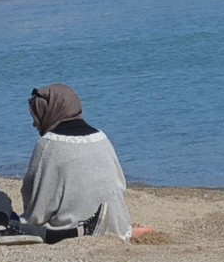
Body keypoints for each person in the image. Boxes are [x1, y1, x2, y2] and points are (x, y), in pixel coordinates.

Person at [20, 84, 140, 240]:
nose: (35, 124)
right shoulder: (101, 137)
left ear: (50, 113)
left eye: (38, 116)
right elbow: (119, 184)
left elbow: (36, 203)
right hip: (116, 226)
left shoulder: (48, 144)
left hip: (72, 228)